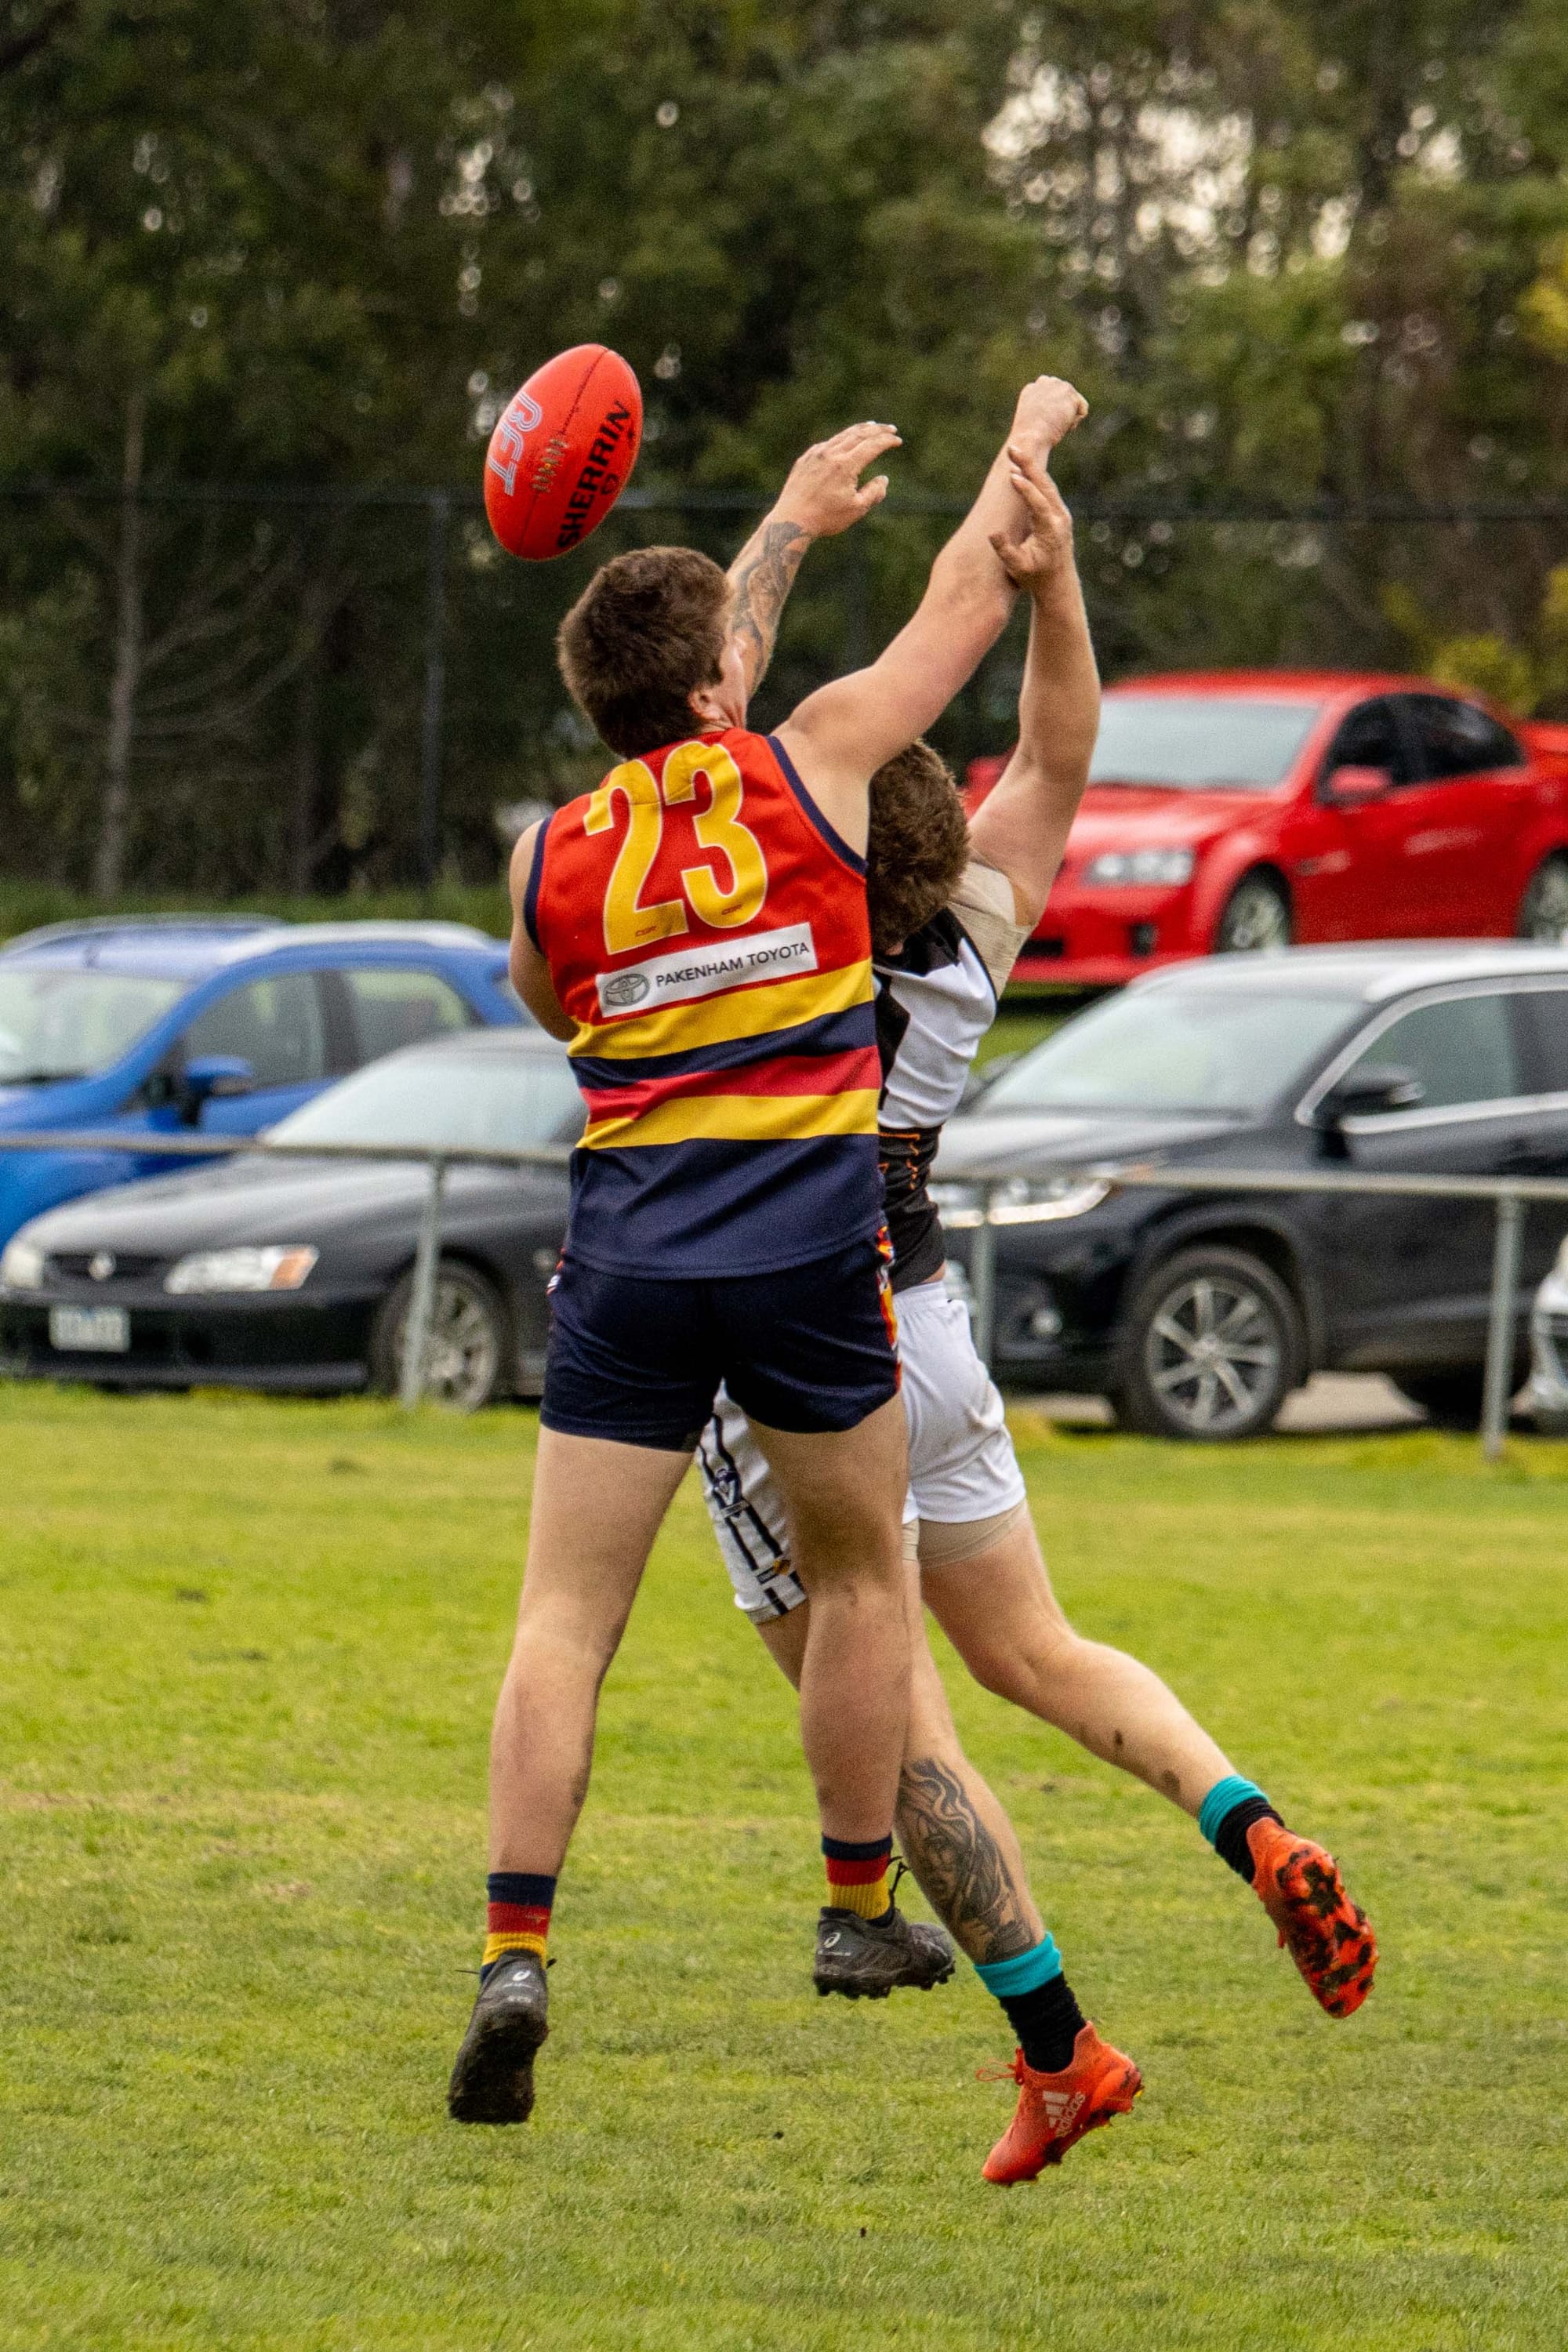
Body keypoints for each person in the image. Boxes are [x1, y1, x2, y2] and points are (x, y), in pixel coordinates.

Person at [700, 448, 1378, 2183]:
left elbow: (714, 719)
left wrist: (785, 525)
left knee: (900, 1708)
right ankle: (1250, 1822)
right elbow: (1064, 744)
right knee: (1040, 1654)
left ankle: (1058, 2045)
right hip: (925, 1331)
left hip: (791, 1358)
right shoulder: (971, 933)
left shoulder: (776, 924)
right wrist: (1053, 574)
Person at [447, 380, 1091, 2128]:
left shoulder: (544, 863)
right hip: (811, 1254)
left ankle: (516, 1953)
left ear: (598, 709)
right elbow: (964, 603)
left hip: (631, 1258)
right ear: (720, 687)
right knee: (867, 1580)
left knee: (565, 1620)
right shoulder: (808, 764)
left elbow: (553, 1007)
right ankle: (852, 1905)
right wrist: (1015, 458)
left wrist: (782, 533)